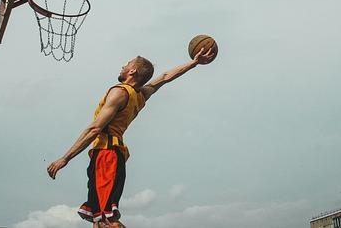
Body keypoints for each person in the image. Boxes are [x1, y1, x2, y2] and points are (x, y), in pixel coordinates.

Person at [47, 47, 215, 227]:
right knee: (98, 219)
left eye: (127, 64)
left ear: (132, 71)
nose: (123, 66)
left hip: (107, 155)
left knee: (106, 219)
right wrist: (193, 63)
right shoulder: (141, 94)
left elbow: (94, 129)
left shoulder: (120, 93)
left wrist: (65, 158)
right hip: (108, 154)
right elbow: (165, 77)